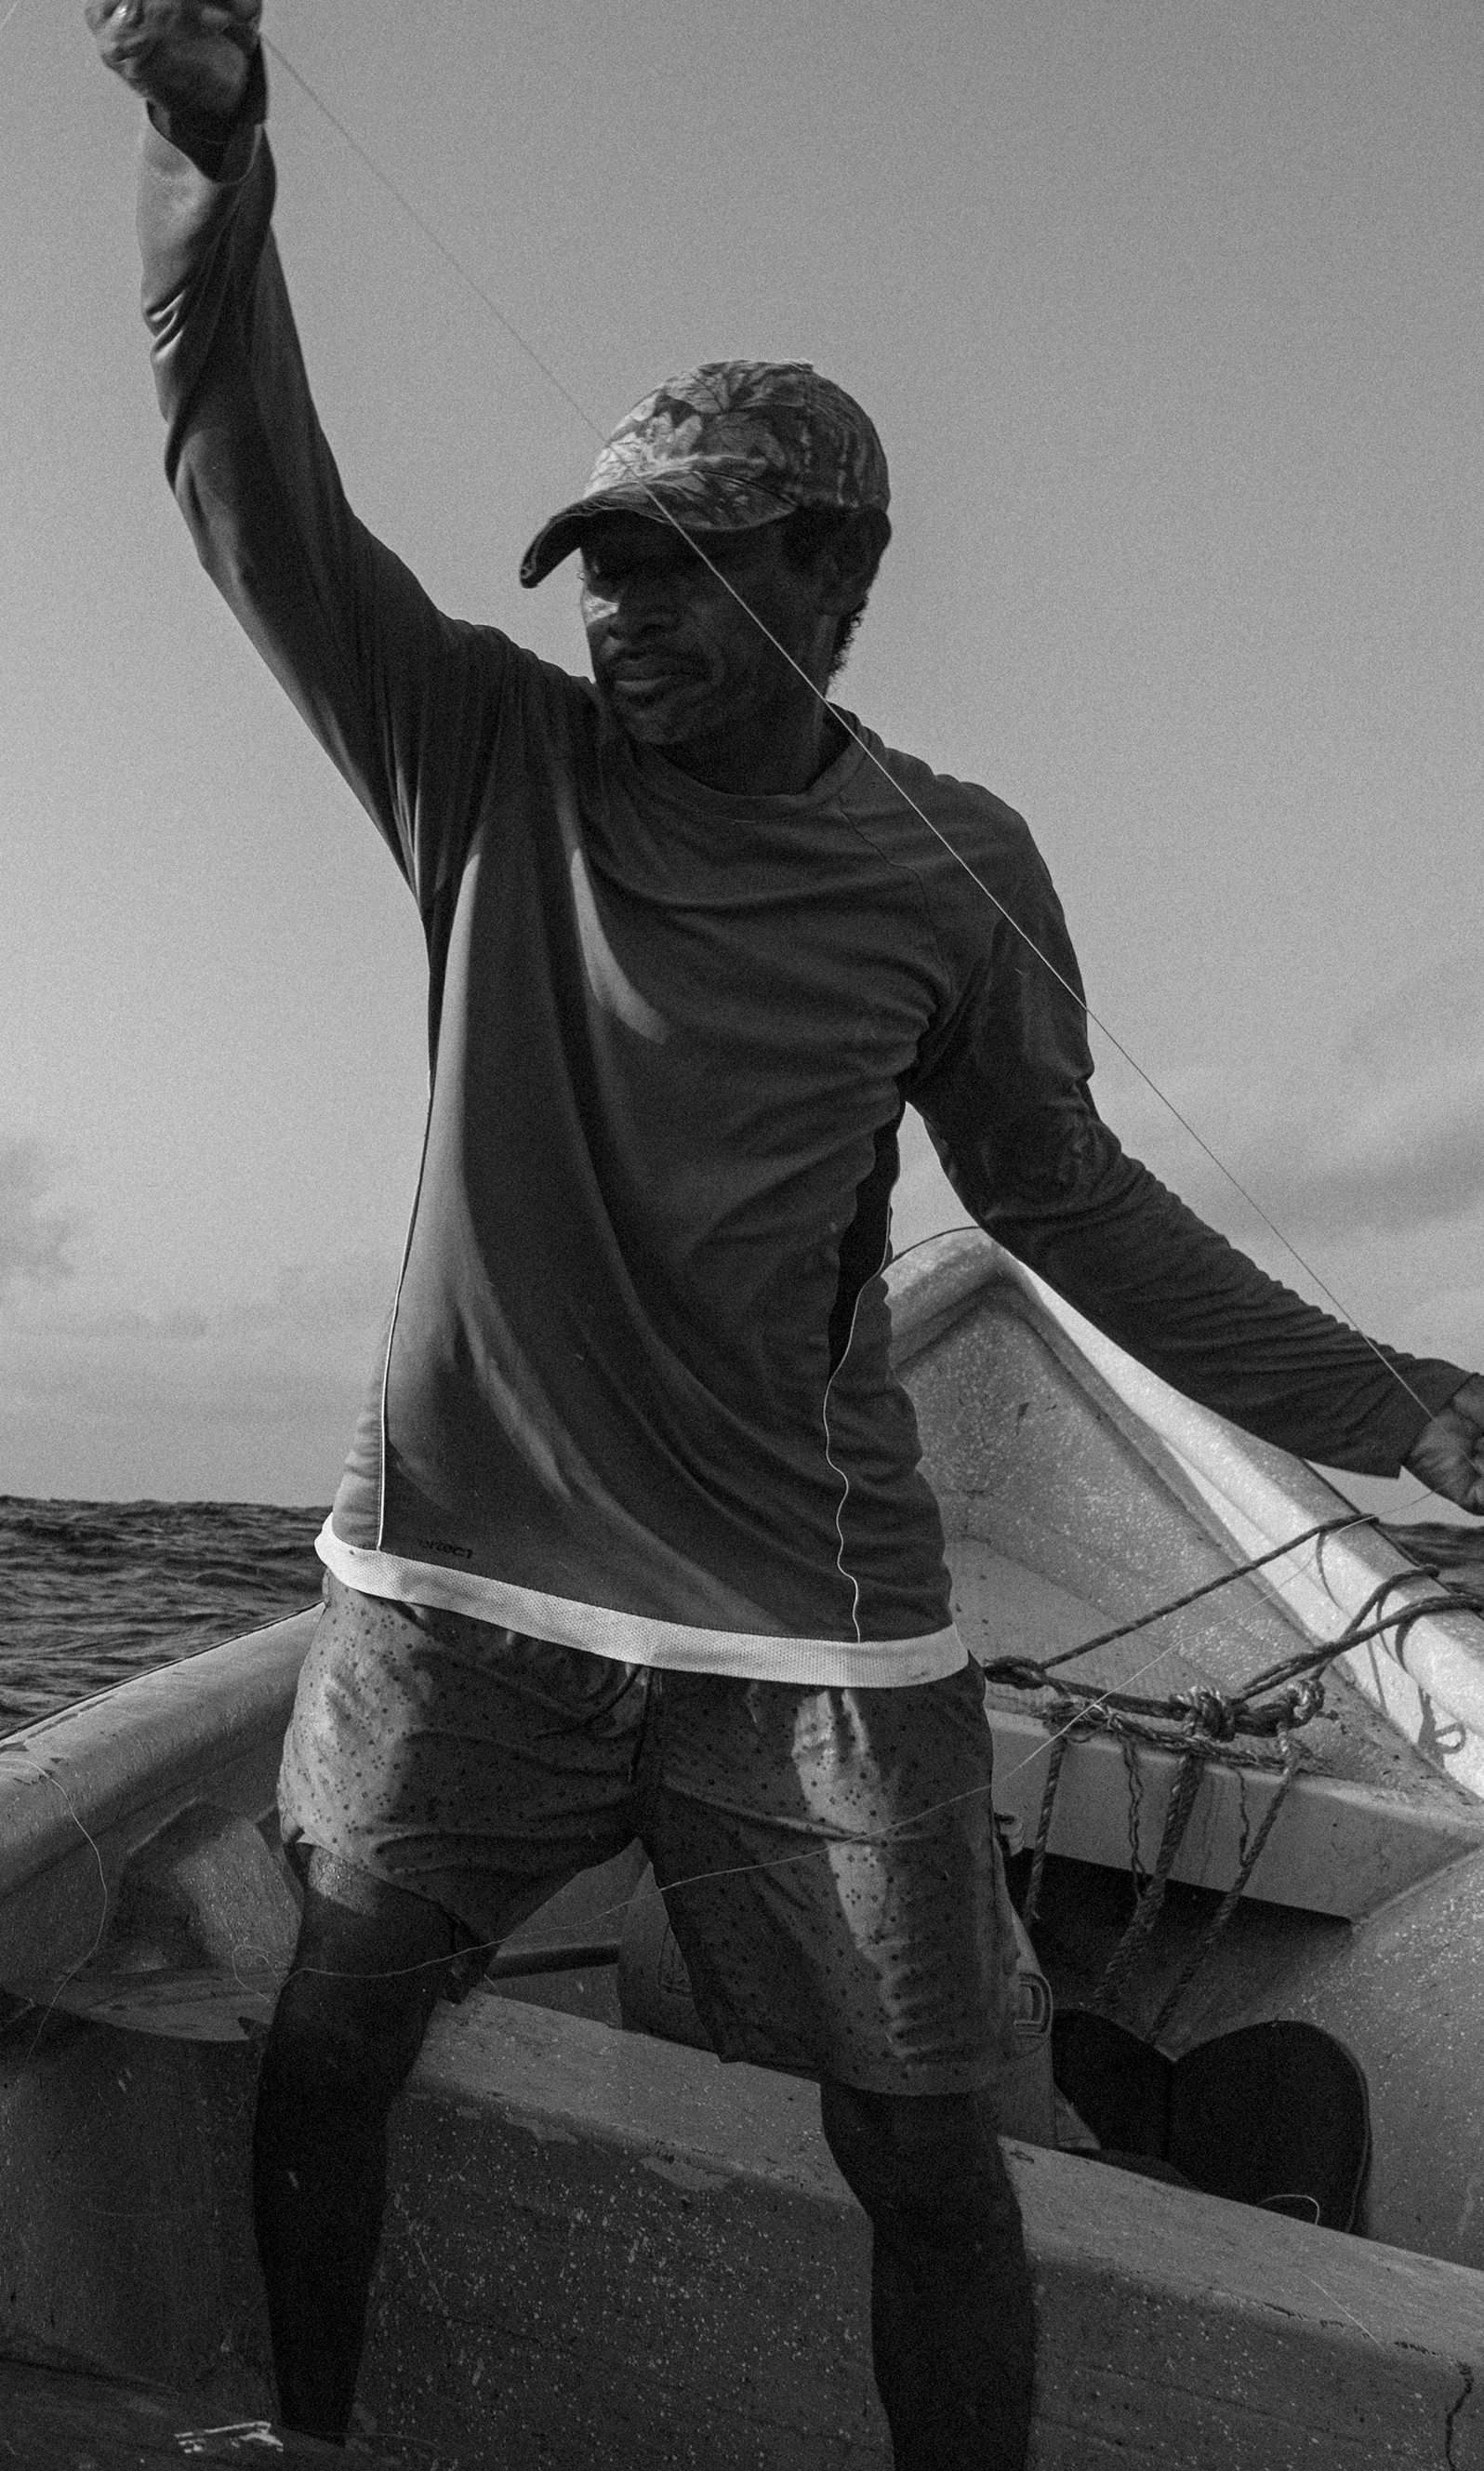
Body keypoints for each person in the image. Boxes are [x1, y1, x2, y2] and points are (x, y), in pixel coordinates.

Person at [84, 4, 1484, 2463]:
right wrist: (214, 166)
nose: (620, 611)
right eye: (600, 562)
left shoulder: (951, 869)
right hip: (458, 1596)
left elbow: (1069, 1216)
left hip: (811, 1628)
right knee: (326, 2033)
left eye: (685, 566)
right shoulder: (482, 757)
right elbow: (239, 485)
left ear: (831, 581)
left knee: (927, 2145)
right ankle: (308, 2434)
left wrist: (1397, 1409)